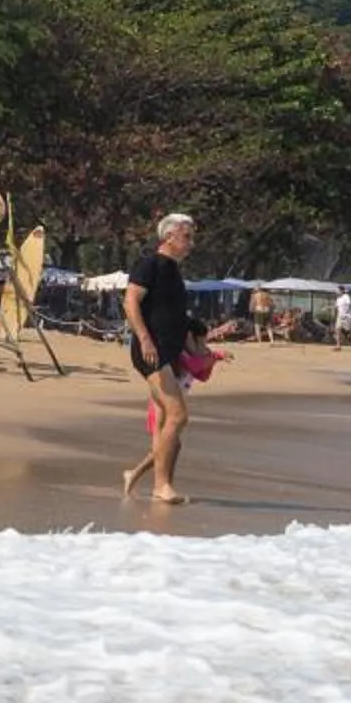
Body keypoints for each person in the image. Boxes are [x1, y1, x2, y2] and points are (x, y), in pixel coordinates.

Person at [120, 211, 198, 504]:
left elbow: (177, 318)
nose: (191, 243)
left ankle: (144, 479)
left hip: (169, 352)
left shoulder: (174, 272)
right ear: (168, 236)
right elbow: (130, 302)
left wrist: (198, 349)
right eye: (187, 236)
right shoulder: (149, 264)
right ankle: (161, 486)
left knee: (168, 424)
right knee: (178, 415)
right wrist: (144, 339)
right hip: (151, 351)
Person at [145, 315, 228, 442]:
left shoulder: (196, 354)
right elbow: (193, 366)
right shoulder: (177, 352)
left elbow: (202, 376)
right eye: (201, 342)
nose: (203, 346)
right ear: (189, 337)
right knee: (164, 444)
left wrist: (212, 359)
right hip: (163, 405)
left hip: (175, 406)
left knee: (167, 447)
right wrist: (214, 357)